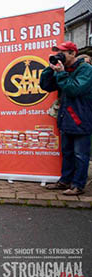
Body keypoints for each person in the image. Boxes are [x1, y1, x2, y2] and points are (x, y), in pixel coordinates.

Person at [40, 41, 92, 196]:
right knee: (67, 153)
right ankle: (65, 181)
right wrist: (50, 69)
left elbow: (74, 89)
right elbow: (46, 86)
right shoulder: (63, 69)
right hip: (66, 119)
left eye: (62, 53)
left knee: (80, 155)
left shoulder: (86, 70)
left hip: (82, 119)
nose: (59, 56)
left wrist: (61, 73)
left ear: (73, 53)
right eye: (57, 53)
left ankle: (78, 185)